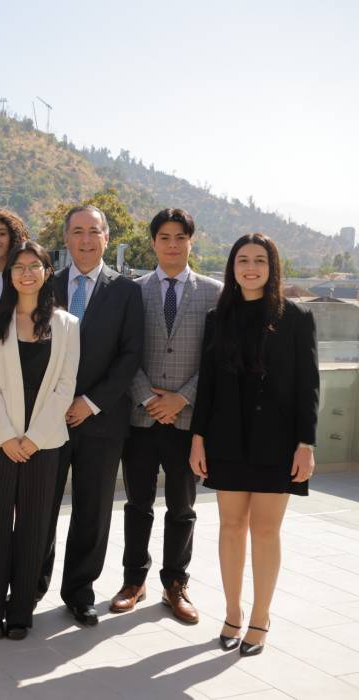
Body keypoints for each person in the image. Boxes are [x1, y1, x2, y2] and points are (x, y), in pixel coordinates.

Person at [189, 233, 318, 657]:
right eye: (242, 260)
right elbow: (207, 385)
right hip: (226, 438)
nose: (250, 267)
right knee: (230, 527)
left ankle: (261, 617)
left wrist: (305, 443)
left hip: (277, 443)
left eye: (259, 260)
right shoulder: (217, 318)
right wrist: (198, 437)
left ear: (272, 267)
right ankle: (231, 612)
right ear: (232, 267)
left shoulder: (296, 318)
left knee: (265, 530)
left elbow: (308, 386)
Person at [110, 209, 221, 624]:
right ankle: (132, 581)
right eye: (164, 237)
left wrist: (182, 399)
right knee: (138, 504)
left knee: (182, 508)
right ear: (153, 242)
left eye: (180, 237)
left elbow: (217, 360)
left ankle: (176, 584)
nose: (172, 244)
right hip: (139, 421)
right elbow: (124, 352)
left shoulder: (213, 292)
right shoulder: (132, 291)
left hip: (188, 423)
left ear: (191, 241)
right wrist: (146, 398)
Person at [38, 205, 145, 627]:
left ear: (106, 237)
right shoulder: (47, 284)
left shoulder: (127, 291)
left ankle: (79, 591)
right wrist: (57, 400)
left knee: (93, 508)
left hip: (101, 420)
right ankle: (31, 584)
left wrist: (90, 402)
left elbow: (130, 354)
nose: (85, 239)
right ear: (66, 238)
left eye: (94, 232)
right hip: (48, 418)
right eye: (77, 231)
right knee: (39, 505)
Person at [0, 240, 79, 640]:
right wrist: (6, 436)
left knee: (35, 526)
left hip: (45, 442)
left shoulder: (67, 325)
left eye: (35, 266)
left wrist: (33, 438)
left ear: (47, 272)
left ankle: (20, 611)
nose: (27, 273)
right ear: (9, 275)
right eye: (19, 267)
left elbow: (65, 386)